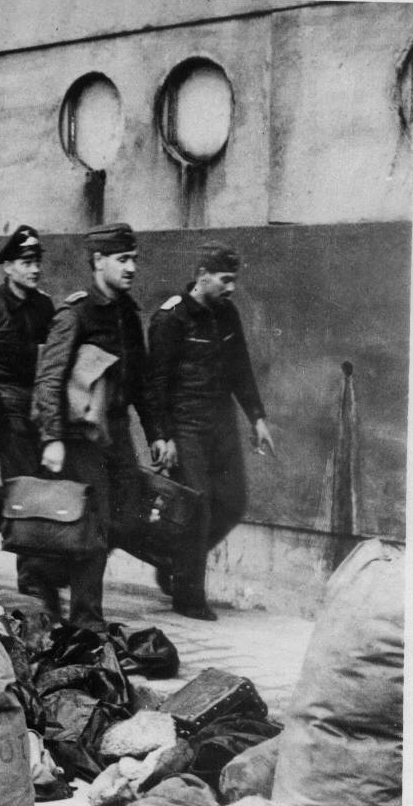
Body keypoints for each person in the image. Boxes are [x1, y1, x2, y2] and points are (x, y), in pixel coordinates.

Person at [31, 222, 162, 632]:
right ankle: (87, 620)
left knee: (131, 514)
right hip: (82, 436)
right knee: (97, 522)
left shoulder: (127, 312)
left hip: (118, 432)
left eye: (134, 260)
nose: (131, 268)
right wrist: (51, 437)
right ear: (98, 261)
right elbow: (49, 379)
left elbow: (141, 381)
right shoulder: (76, 313)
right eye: (123, 260)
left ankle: (46, 572)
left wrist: (157, 432)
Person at [145, 242, 274, 620]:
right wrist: (162, 436)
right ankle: (187, 596)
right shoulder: (171, 318)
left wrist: (257, 418)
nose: (231, 288)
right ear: (203, 275)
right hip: (185, 425)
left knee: (232, 503)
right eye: (225, 279)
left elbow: (241, 369)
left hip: (221, 425)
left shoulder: (226, 313)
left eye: (233, 280)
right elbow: (155, 385)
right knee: (196, 506)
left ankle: (172, 558)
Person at [0, 224, 56, 607]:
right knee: (24, 487)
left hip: (36, 407)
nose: (34, 270)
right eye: (25, 262)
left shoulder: (44, 306)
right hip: (2, 410)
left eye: (37, 262)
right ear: (8, 268)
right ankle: (33, 582)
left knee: (28, 485)